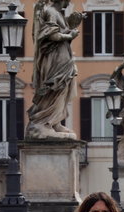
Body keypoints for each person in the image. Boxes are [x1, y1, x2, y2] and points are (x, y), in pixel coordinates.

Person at [28, 0, 83, 139]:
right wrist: (70, 35)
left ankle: (55, 121)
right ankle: (44, 122)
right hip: (56, 58)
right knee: (55, 86)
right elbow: (51, 35)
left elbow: (60, 33)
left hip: (63, 56)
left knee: (63, 88)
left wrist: (71, 26)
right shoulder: (51, 12)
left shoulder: (58, 13)